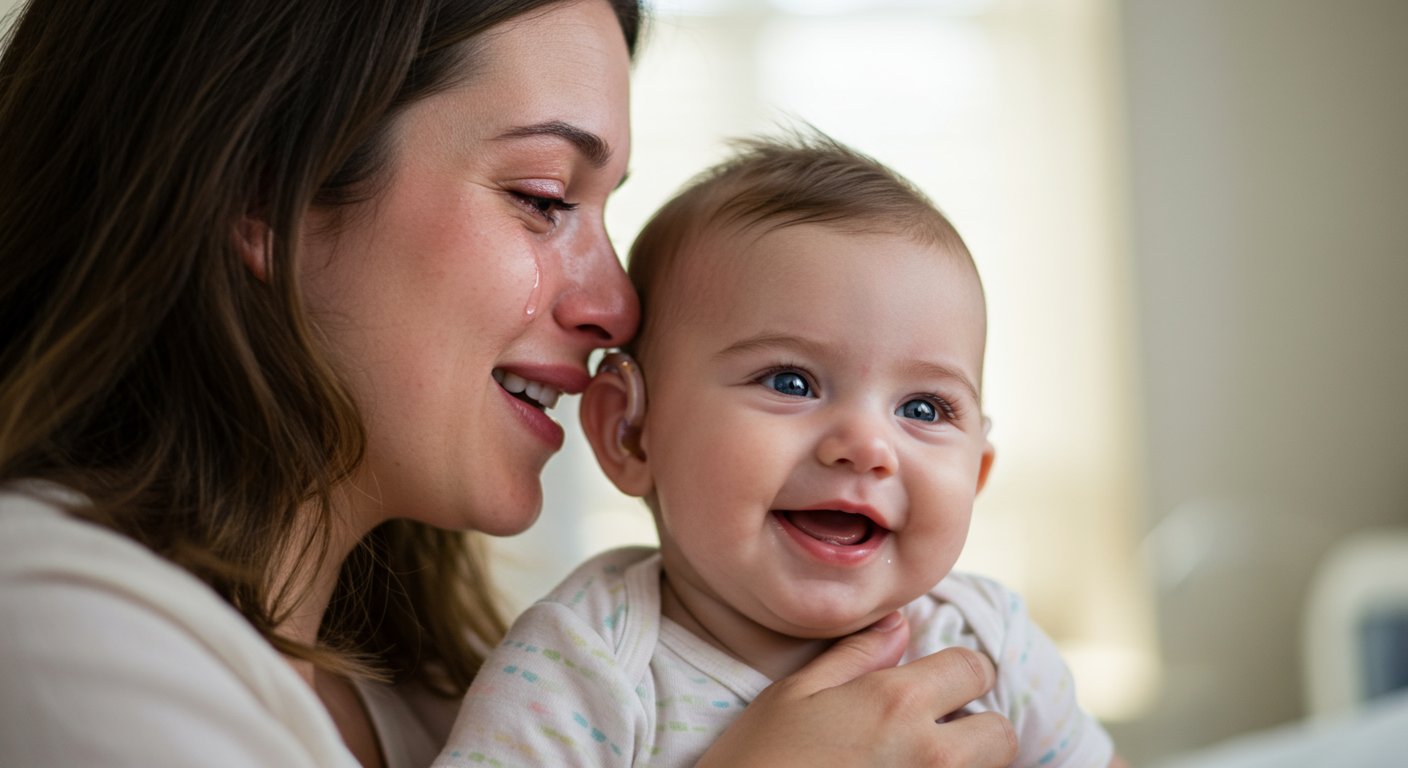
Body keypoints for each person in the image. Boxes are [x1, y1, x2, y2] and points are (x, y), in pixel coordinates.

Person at [0, 1, 1018, 766]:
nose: (617, 305)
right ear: (267, 194)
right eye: (541, 199)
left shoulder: (441, 696)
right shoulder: (50, 628)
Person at [436, 131, 1121, 767]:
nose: (865, 446)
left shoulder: (988, 643)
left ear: (977, 474)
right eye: (790, 382)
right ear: (631, 431)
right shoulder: (583, 664)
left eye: (923, 408)